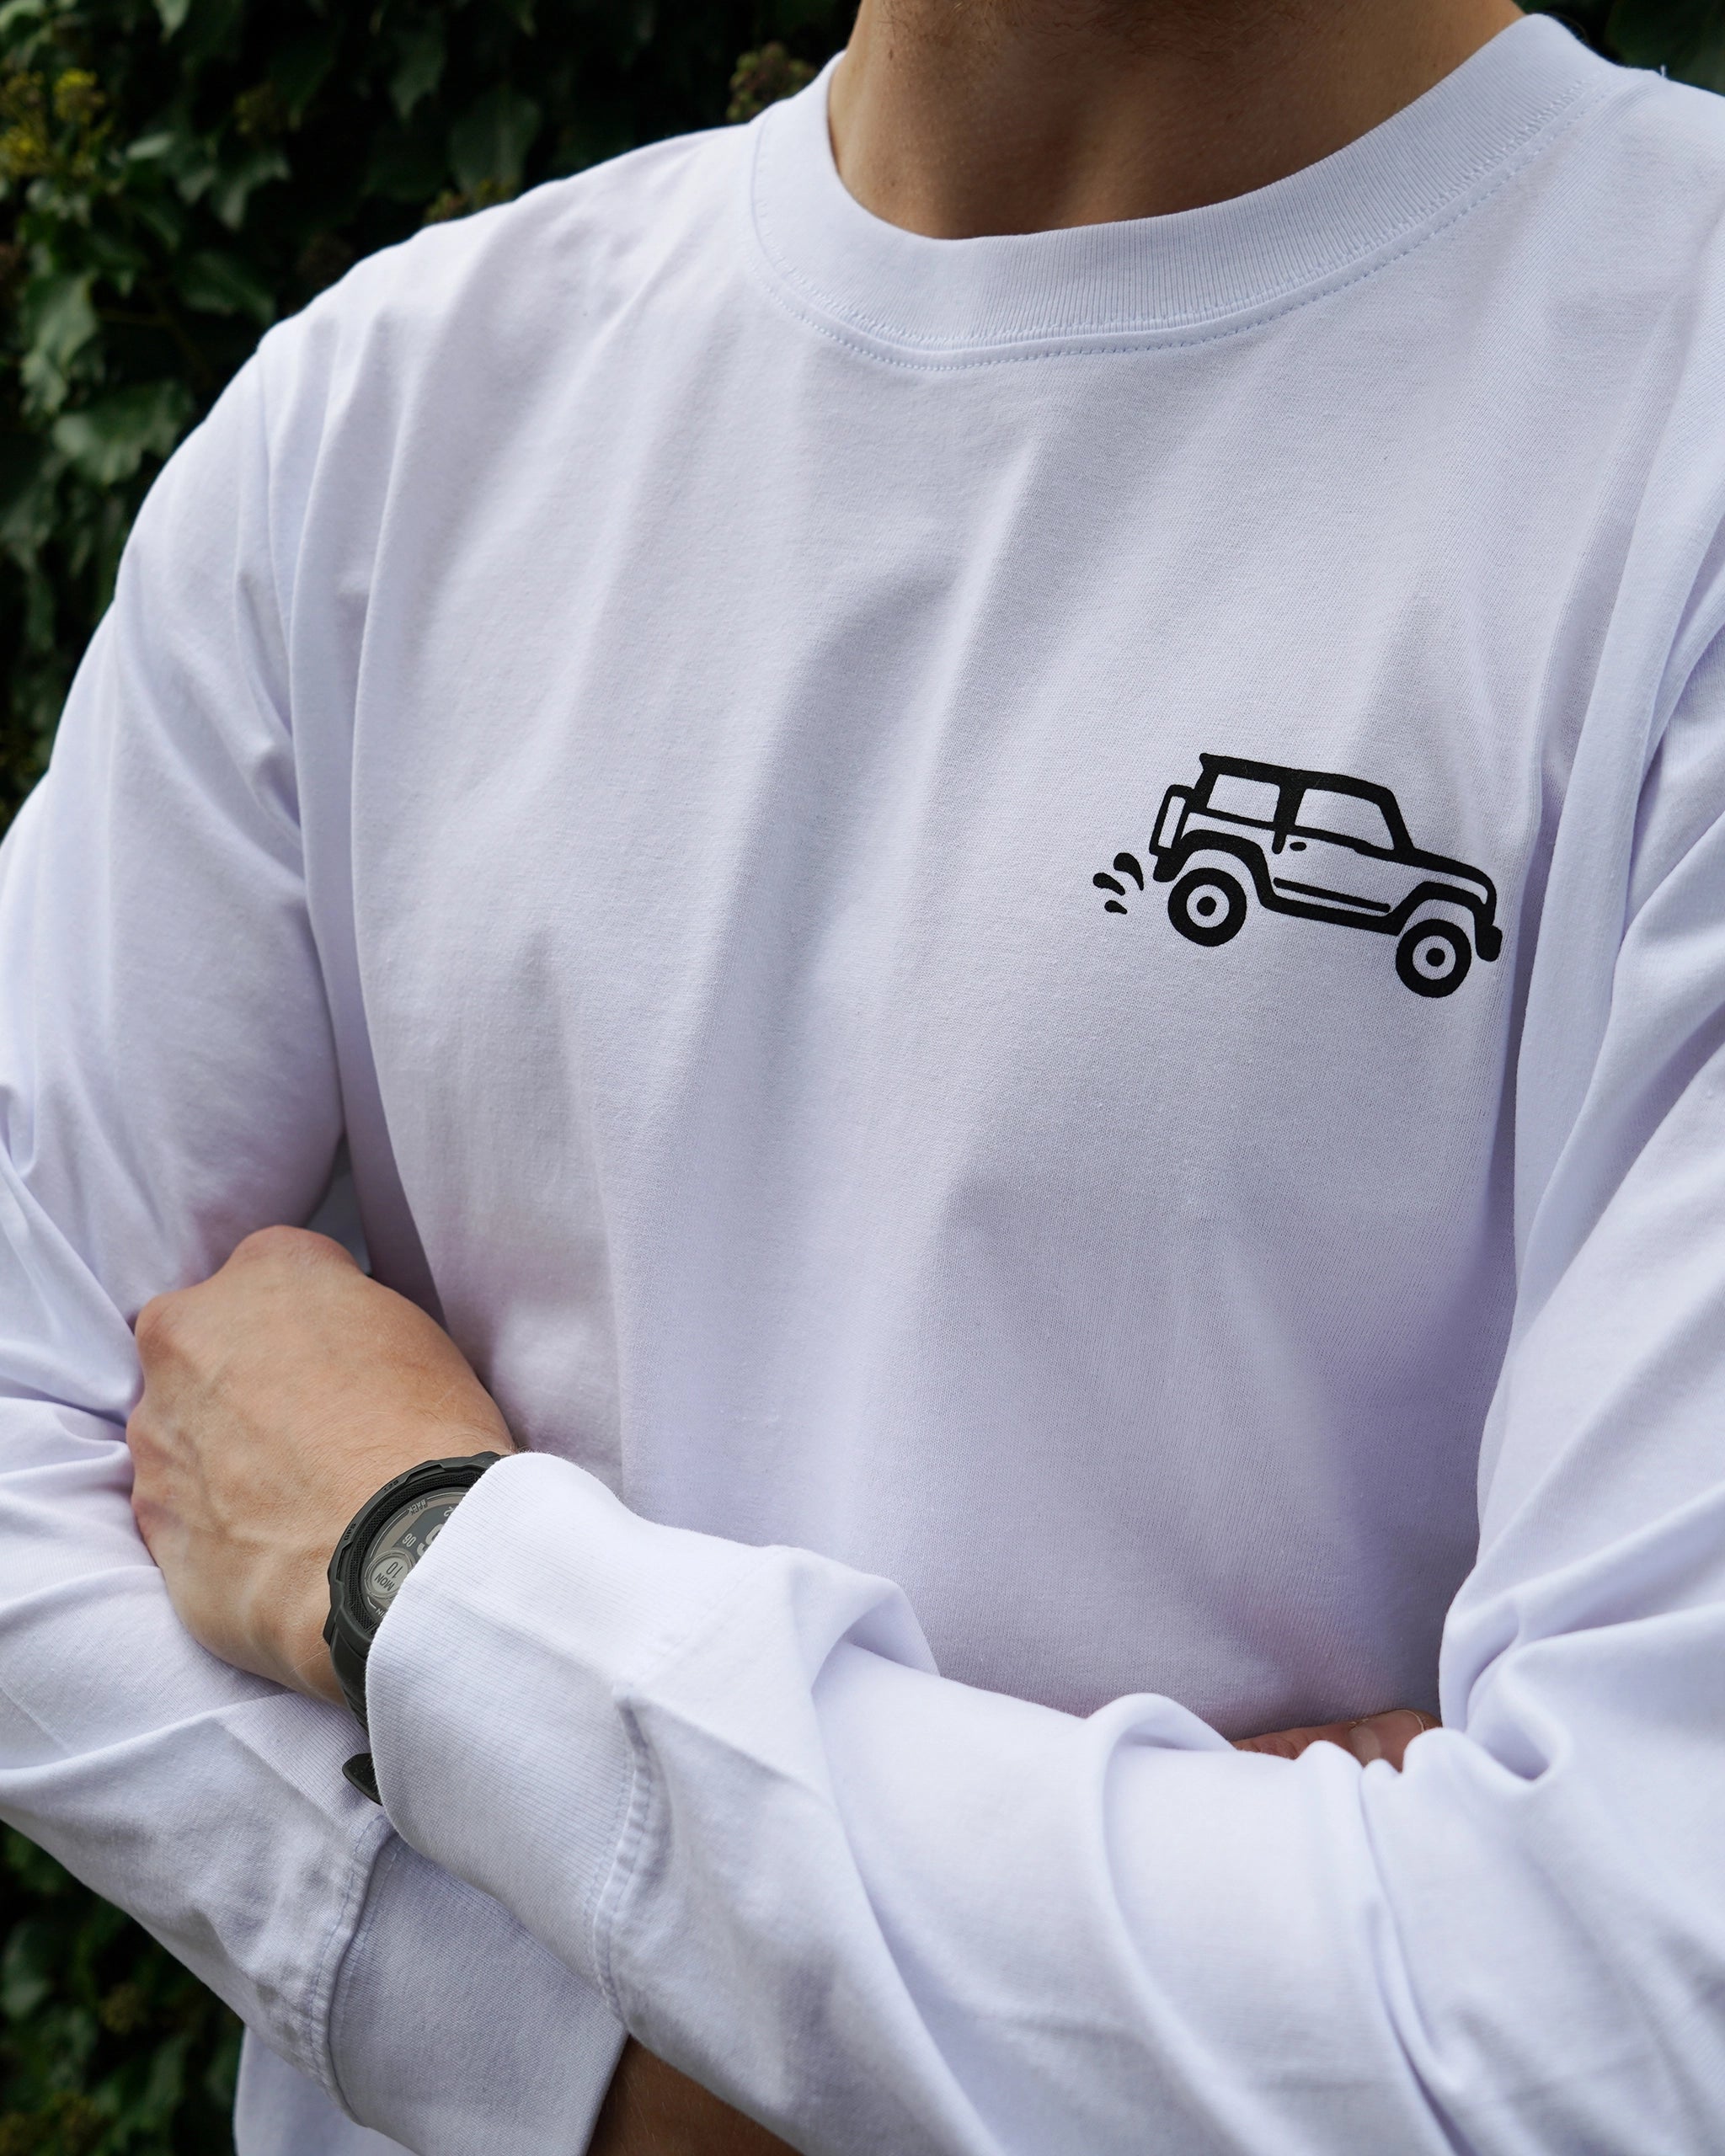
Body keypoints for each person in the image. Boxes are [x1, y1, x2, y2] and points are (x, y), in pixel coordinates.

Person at [5, 0, 1725, 2146]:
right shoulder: (377, 426)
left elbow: (1597, 2014)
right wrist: (580, 2054)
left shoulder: (1675, 395)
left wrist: (427, 1576)